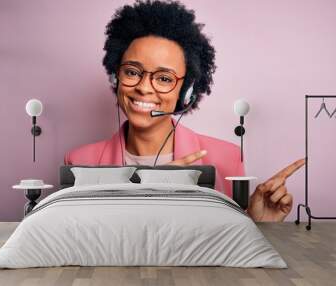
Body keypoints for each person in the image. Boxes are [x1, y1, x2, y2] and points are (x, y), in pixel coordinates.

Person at [64, 0, 305, 222]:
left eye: (164, 78)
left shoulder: (226, 158)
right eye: (132, 72)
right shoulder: (79, 162)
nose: (144, 88)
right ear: (117, 76)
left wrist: (257, 224)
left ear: (186, 91)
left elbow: (228, 244)